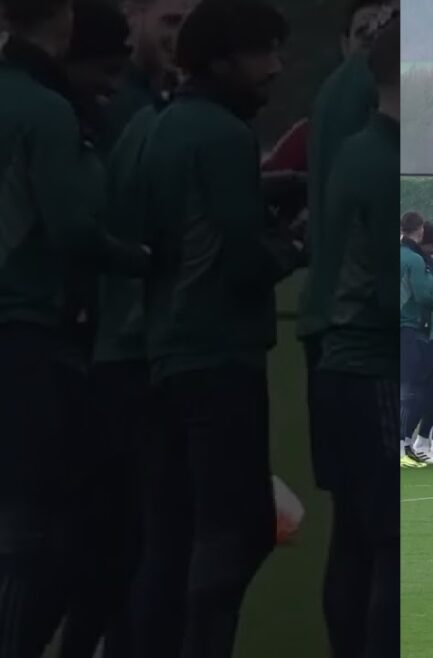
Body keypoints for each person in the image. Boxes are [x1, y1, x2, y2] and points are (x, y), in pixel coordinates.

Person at [135, 1, 302, 654]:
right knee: (236, 530)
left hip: (164, 352)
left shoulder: (162, 126)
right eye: (262, 52)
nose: (276, 68)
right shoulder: (226, 136)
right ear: (222, 59)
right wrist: (296, 245)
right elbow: (240, 260)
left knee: (171, 536)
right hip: (219, 354)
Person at [0, 0, 151, 652]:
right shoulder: (46, 112)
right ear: (61, 23)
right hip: (32, 330)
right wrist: (142, 256)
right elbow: (70, 230)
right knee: (38, 527)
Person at [309, 20, 398, 657]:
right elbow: (398, 293)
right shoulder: (388, 162)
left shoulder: (357, 150)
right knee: (395, 543)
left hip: (340, 363)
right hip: (374, 369)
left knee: (356, 538)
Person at [300, 0, 396, 490]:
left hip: (329, 317)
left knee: (357, 530)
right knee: (380, 527)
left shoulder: (333, 88)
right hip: (360, 333)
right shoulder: (368, 105)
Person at [97, 0, 199, 152]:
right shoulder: (111, 94)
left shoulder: (170, 94)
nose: (180, 36)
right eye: (171, 21)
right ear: (132, 16)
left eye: (188, 26)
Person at [399, 213, 433, 466]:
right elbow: (423, 296)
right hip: (409, 326)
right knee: (411, 389)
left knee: (410, 387)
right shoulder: (414, 260)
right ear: (419, 230)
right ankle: (401, 446)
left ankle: (406, 444)